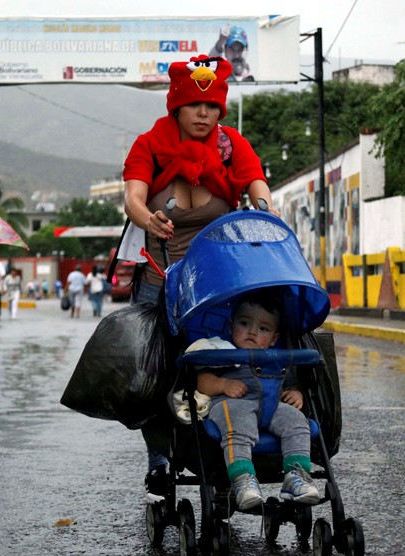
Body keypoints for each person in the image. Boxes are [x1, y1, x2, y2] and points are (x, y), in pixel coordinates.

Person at [122, 55, 272, 495]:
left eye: (212, 107)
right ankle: (158, 460)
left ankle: (231, 446)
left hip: (217, 281)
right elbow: (133, 196)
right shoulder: (149, 143)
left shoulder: (231, 145)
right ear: (176, 108)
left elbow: (255, 182)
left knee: (225, 361)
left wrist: (264, 208)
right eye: (194, 106)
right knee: (150, 374)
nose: (204, 114)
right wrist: (146, 219)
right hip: (158, 278)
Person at [190, 292, 320, 510]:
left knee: (298, 421)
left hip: (270, 406)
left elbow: (290, 383)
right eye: (244, 323)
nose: (252, 331)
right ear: (231, 325)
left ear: (274, 338)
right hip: (231, 406)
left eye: (263, 329)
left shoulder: (276, 359)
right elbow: (201, 382)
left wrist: (296, 393)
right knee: (238, 426)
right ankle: (243, 480)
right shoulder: (222, 352)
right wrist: (223, 385)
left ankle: (296, 476)